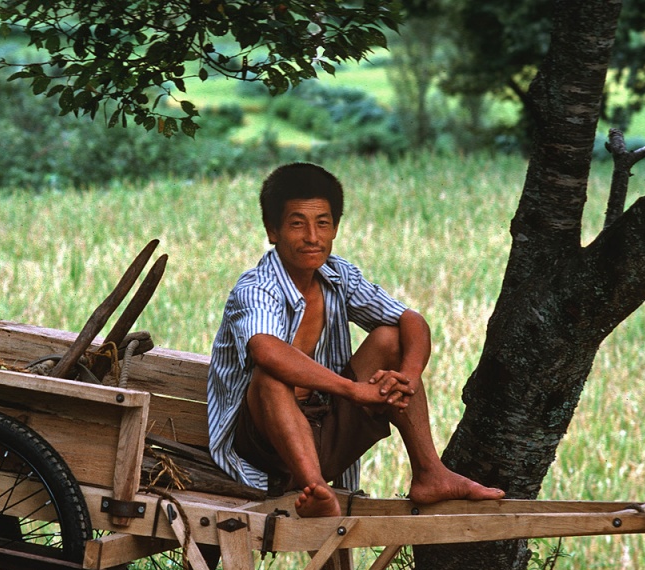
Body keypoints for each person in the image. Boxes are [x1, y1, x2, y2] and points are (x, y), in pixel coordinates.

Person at [207, 162, 505, 517]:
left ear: (335, 228)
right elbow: (266, 351)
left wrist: (407, 378)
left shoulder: (339, 274)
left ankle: (429, 472)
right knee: (271, 377)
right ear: (273, 231)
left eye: (323, 223)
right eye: (297, 224)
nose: (312, 237)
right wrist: (353, 390)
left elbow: (411, 321)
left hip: (328, 429)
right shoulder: (256, 288)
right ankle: (315, 490)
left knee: (390, 341)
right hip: (263, 449)